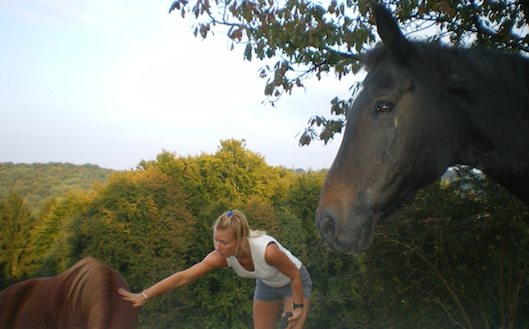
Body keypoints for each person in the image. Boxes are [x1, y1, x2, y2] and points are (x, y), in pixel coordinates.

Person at [118, 209, 312, 329]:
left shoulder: (268, 251)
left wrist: (298, 307)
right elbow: (183, 277)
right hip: (267, 284)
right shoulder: (219, 257)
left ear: (241, 239)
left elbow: (294, 275)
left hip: (294, 282)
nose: (217, 247)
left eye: (224, 242)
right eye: (216, 239)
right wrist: (144, 296)